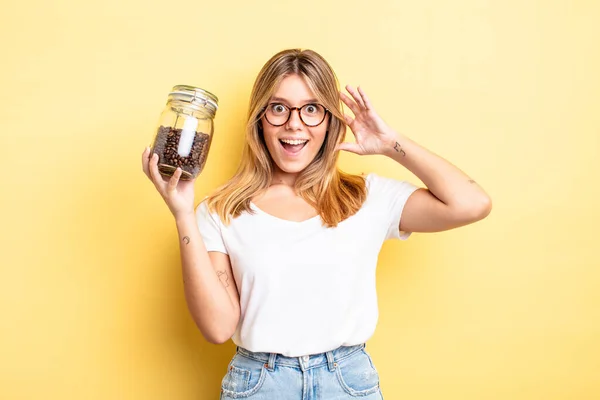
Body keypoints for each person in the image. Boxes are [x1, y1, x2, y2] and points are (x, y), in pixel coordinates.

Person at [142, 48, 492, 399]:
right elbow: (218, 328)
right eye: (279, 108)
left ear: (329, 121)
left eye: (311, 109)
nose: (294, 124)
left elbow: (471, 204)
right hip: (260, 384)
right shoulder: (221, 210)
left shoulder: (367, 197)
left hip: (347, 382)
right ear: (260, 119)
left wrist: (390, 144)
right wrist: (183, 214)